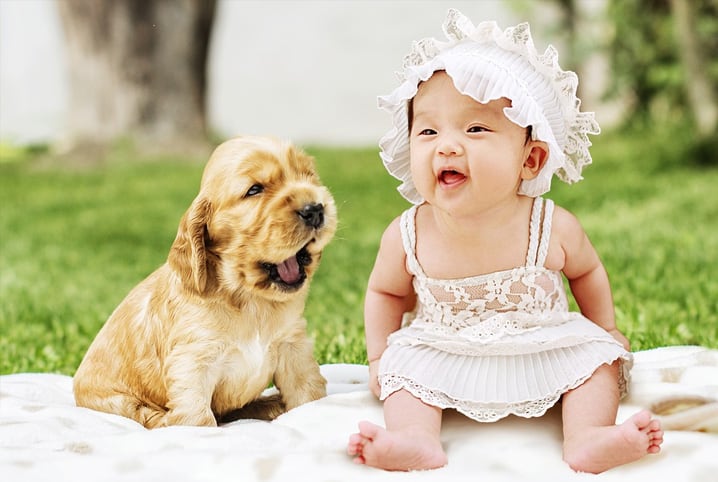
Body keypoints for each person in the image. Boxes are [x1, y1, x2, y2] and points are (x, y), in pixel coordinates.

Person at [346, 9, 663, 474]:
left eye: (475, 129)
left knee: (597, 362)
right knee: (404, 370)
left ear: (530, 160)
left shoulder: (550, 225)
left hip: (543, 341)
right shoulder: (408, 232)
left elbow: (587, 272)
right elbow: (385, 292)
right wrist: (378, 356)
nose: (447, 146)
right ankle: (415, 439)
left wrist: (607, 327)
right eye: (428, 130)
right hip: (443, 347)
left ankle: (587, 437)